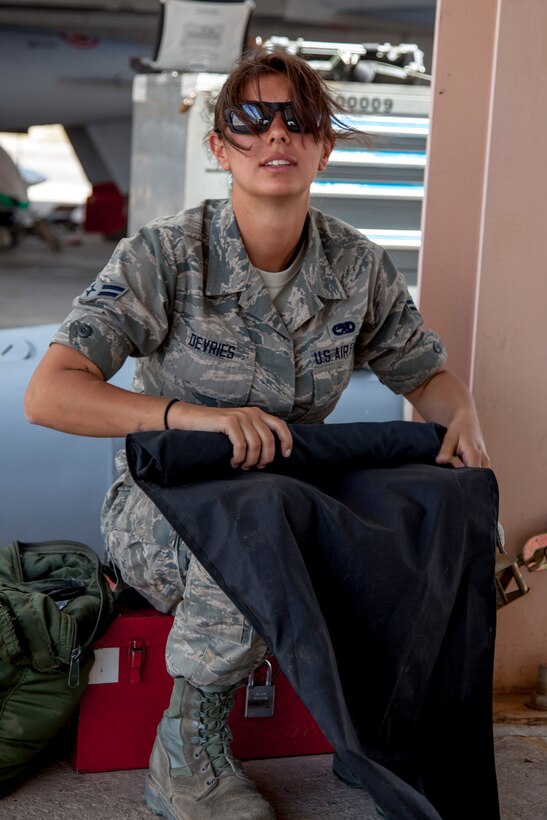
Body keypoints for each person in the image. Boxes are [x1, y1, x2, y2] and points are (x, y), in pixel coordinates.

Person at [24, 47, 490, 820]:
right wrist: (190, 417)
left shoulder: (356, 266)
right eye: (250, 118)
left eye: (297, 119)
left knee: (427, 512)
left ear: (321, 145)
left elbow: (424, 374)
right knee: (252, 535)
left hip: (285, 492)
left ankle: (380, 731)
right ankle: (184, 751)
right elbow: (50, 395)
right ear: (219, 146)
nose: (276, 133)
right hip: (166, 507)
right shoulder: (166, 255)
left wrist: (463, 418)